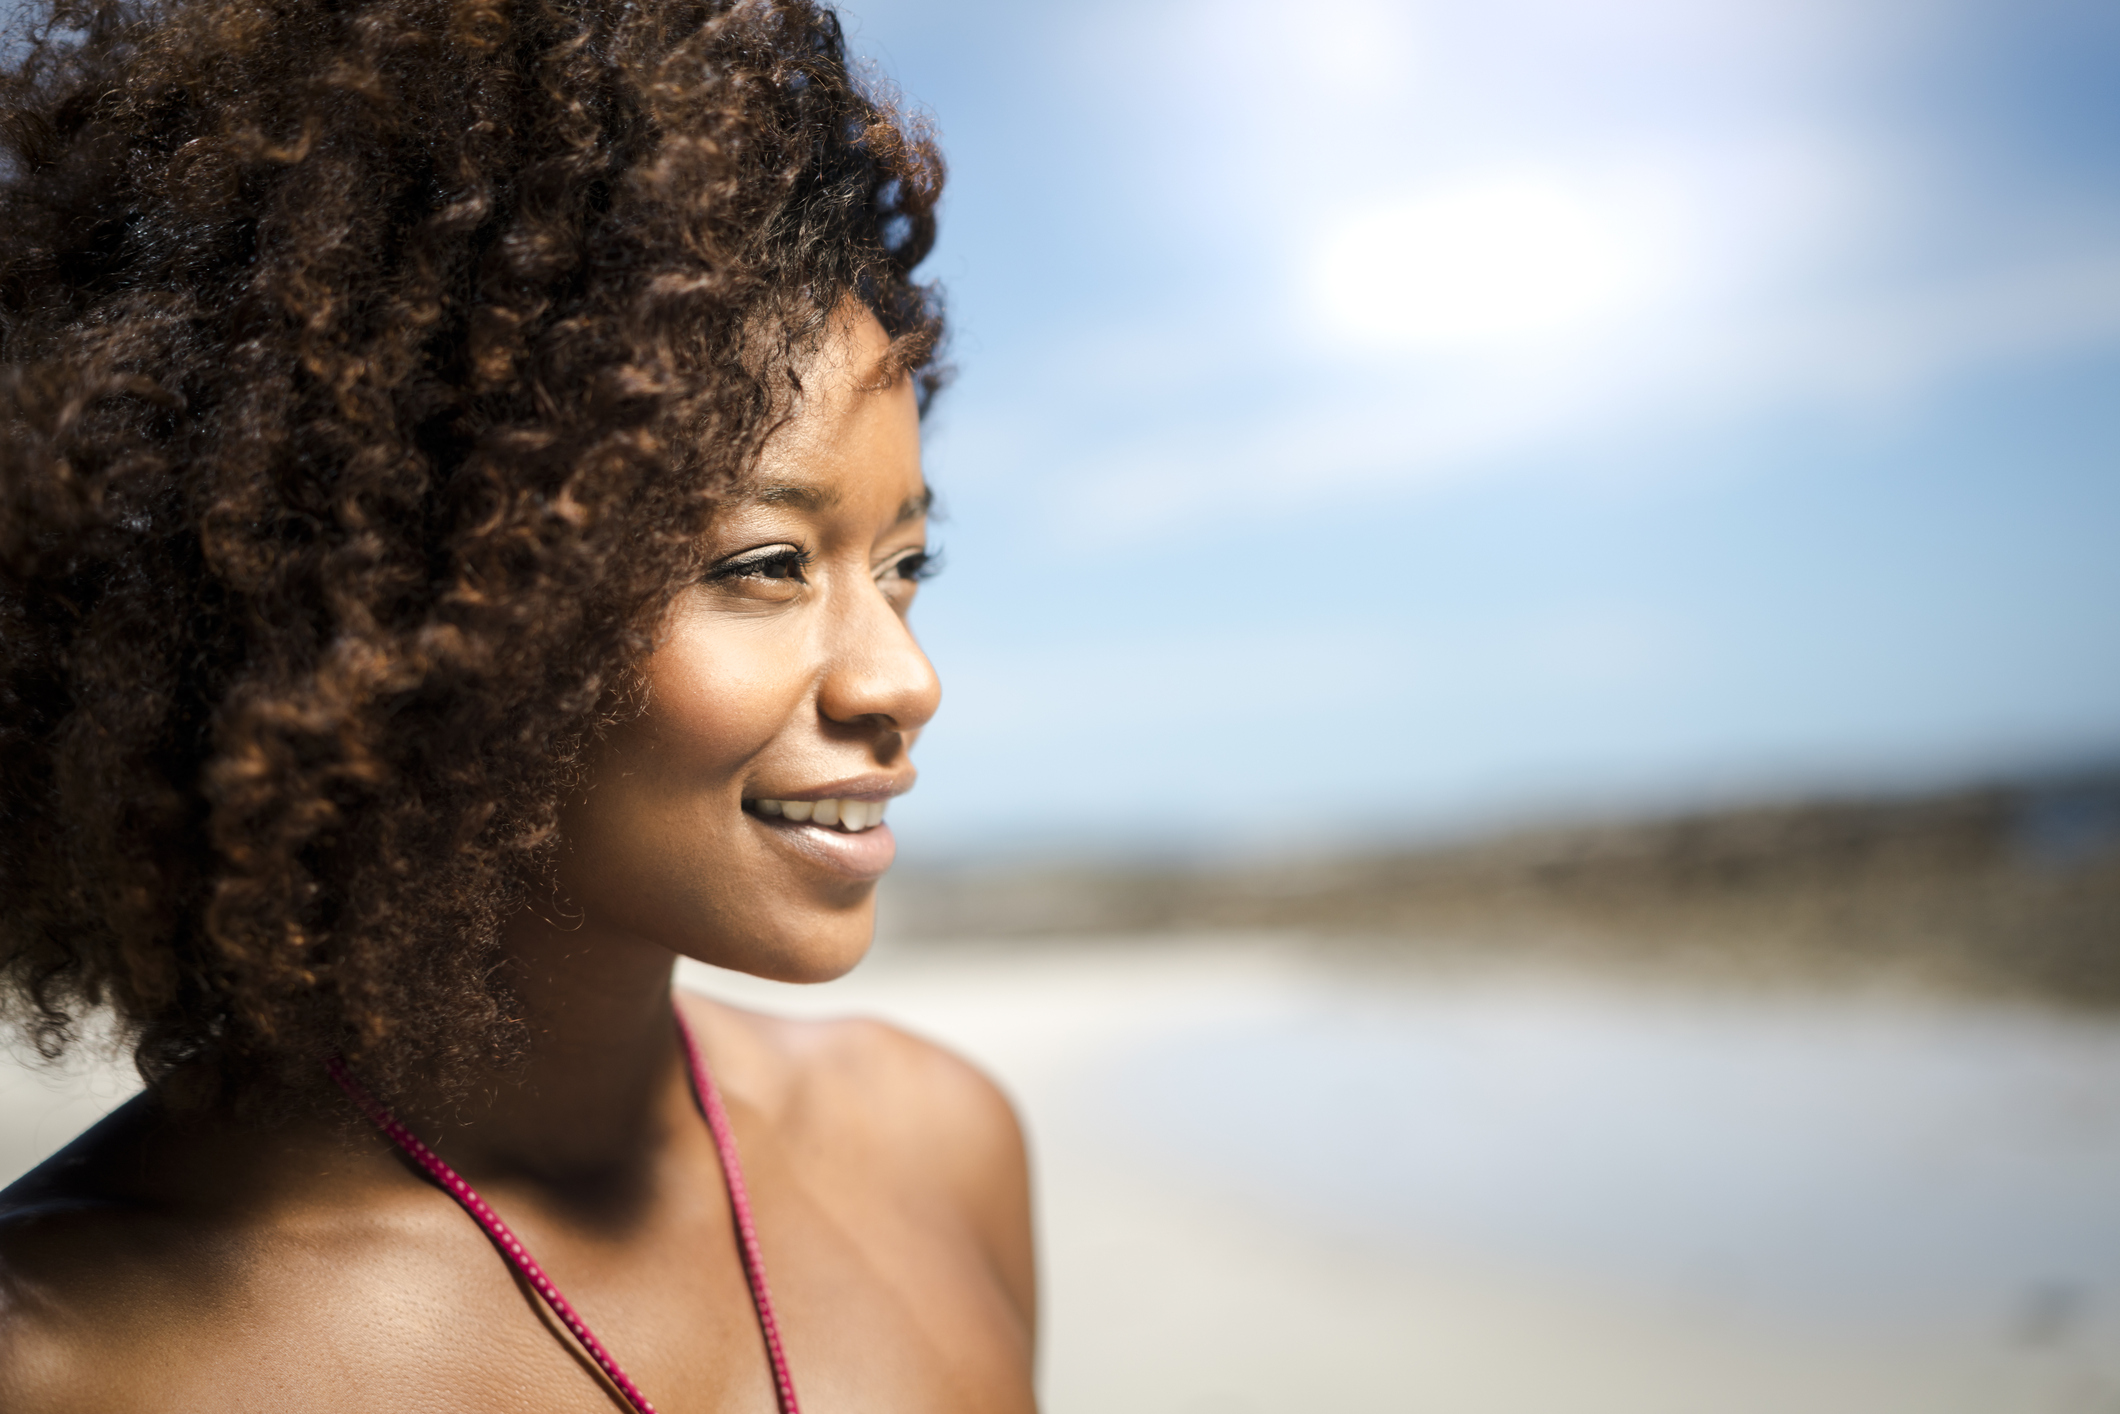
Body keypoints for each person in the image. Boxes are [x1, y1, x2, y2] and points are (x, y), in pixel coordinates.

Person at [0, 0, 1037, 1409]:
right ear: (419, 605)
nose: (902, 679)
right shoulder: (73, 1357)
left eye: (905, 562)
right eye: (765, 564)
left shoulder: (942, 1150)